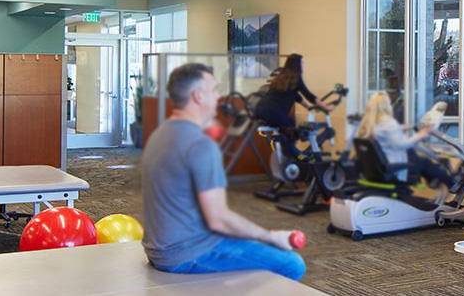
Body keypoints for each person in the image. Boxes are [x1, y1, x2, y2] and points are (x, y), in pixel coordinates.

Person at [141, 63, 306, 280]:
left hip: (161, 249)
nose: (218, 97)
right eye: (213, 90)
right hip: (188, 253)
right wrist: (270, 237)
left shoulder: (160, 134)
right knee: (292, 264)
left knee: (251, 241)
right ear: (198, 96)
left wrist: (258, 238)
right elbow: (218, 219)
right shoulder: (200, 145)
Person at [356, 91, 463, 192]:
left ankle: (433, 178)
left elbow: (384, 133)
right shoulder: (388, 123)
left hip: (379, 165)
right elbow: (401, 144)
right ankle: (452, 184)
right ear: (385, 106)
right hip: (392, 166)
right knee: (425, 163)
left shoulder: (368, 124)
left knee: (412, 153)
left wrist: (403, 127)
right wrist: (420, 134)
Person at [254, 54, 332, 160]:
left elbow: (296, 96)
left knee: (287, 130)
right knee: (292, 129)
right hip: (273, 112)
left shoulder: (280, 78)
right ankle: (294, 157)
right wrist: (326, 107)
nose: (303, 65)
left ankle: (290, 155)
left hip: (260, 110)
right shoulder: (296, 78)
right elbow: (310, 96)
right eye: (302, 63)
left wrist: (308, 107)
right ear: (297, 65)